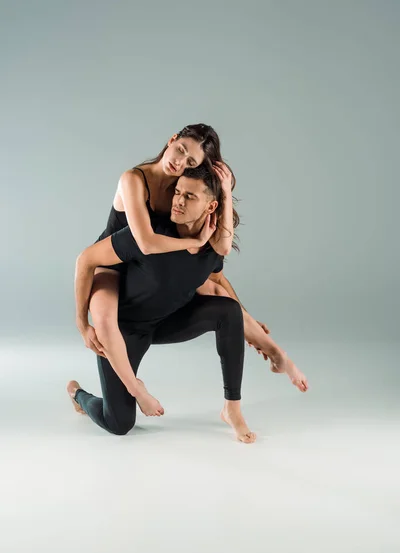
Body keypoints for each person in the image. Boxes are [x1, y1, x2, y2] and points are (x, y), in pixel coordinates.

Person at [68, 165, 308, 444]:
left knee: (228, 311)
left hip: (169, 322)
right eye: (177, 192)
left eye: (190, 196)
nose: (178, 200)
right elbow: (87, 259)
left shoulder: (210, 248)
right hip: (125, 332)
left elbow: (217, 284)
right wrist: (83, 321)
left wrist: (250, 322)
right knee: (119, 423)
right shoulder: (147, 235)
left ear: (211, 205)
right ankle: (78, 395)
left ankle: (232, 408)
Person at [79, 123, 308, 399]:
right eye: (180, 150)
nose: (179, 162)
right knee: (104, 319)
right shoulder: (134, 179)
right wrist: (194, 242)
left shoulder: (181, 186)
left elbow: (218, 261)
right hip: (113, 264)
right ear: (172, 139)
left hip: (149, 268)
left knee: (214, 287)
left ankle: (275, 352)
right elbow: (146, 242)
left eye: (190, 162)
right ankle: (123, 389)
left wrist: (223, 189)